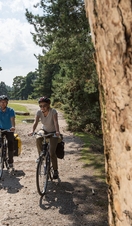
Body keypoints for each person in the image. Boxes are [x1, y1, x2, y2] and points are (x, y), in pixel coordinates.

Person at [29, 96, 60, 179]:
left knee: (52, 152)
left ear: (49, 105)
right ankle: (41, 156)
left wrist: (57, 132)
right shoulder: (39, 112)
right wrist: (32, 131)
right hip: (44, 130)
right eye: (41, 106)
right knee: (38, 138)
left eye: (44, 105)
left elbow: (56, 122)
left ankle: (55, 170)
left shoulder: (53, 111)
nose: (42, 107)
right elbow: (35, 122)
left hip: (53, 132)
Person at [0, 95, 15, 168]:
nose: (3, 103)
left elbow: (12, 119)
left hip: (9, 129)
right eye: (1, 102)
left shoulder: (11, 110)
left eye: (4, 102)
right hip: (1, 129)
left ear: (7, 103)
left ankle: (10, 161)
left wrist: (13, 126)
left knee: (10, 145)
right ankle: (1, 157)